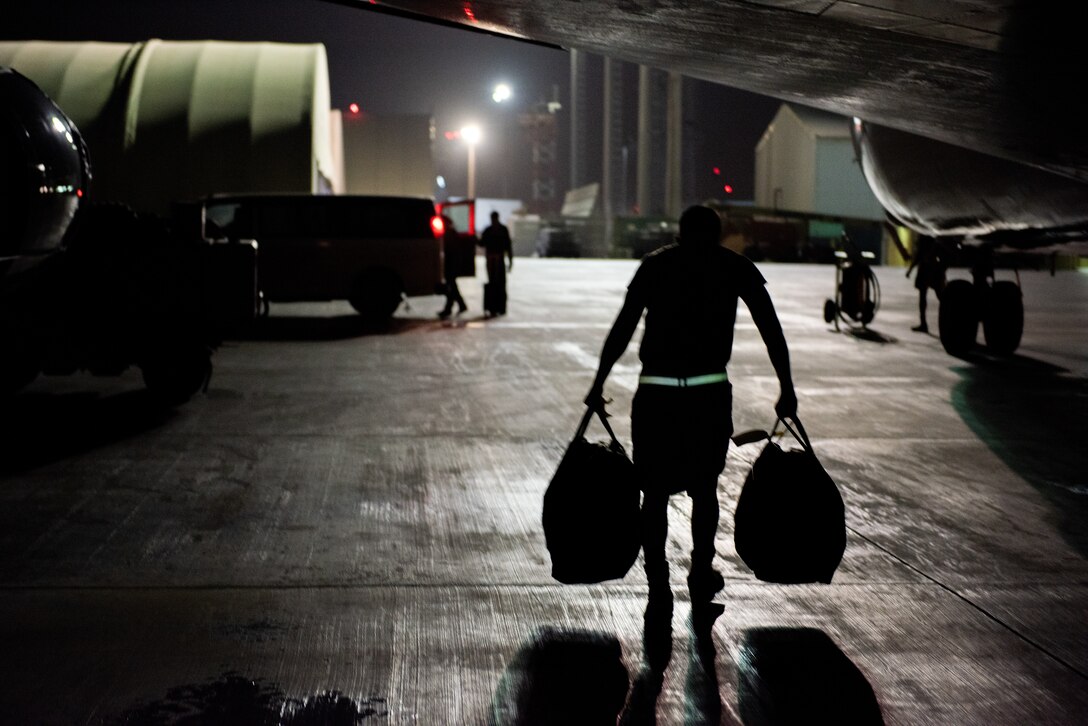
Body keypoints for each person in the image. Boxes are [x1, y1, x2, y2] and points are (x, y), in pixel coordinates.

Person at [584, 205, 797, 612]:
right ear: (718, 235)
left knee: (656, 493)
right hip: (707, 396)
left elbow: (623, 327)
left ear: (679, 234)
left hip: (657, 396)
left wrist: (598, 384)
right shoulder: (735, 267)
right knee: (704, 490)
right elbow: (772, 330)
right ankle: (700, 573)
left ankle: (657, 580)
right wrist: (786, 387)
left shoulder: (655, 266)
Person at [905, 236, 946, 333]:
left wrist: (910, 270)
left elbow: (918, 256)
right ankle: (951, 319)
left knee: (924, 298)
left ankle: (924, 324)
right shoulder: (934, 239)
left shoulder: (924, 238)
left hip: (926, 270)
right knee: (941, 296)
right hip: (934, 269)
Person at [480, 211, 513, 316]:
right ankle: (497, 307)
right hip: (495, 260)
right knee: (497, 284)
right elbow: (508, 247)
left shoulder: (491, 230)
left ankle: (497, 307)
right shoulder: (499, 230)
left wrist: (511, 261)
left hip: (496, 260)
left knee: (498, 284)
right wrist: (511, 261)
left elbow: (508, 246)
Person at [438, 215, 467, 319]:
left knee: (451, 286)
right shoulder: (450, 233)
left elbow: (451, 251)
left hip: (451, 264)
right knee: (452, 286)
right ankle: (459, 305)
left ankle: (450, 308)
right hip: (451, 264)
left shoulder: (450, 233)